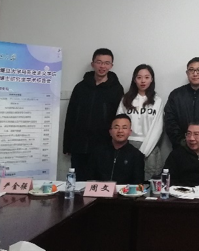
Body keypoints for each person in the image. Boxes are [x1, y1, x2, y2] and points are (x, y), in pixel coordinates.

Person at [63, 48, 124, 181]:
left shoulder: (116, 89)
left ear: (111, 66)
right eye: (99, 62)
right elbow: (71, 116)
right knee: (79, 184)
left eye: (107, 63)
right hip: (79, 146)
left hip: (104, 147)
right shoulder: (80, 87)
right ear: (93, 64)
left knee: (101, 184)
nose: (102, 66)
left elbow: (119, 118)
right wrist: (67, 144)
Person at [116, 64, 163, 180]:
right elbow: (119, 123)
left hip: (150, 147)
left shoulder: (157, 100)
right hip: (127, 145)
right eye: (139, 77)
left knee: (148, 183)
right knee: (126, 180)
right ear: (134, 79)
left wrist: (143, 152)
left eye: (147, 77)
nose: (143, 81)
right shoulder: (126, 99)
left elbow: (157, 128)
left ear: (152, 79)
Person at [88, 114, 144, 184]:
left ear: (130, 132)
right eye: (116, 127)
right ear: (110, 132)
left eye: (124, 128)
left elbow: (138, 183)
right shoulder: (98, 152)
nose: (120, 131)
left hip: (124, 190)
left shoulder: (136, 155)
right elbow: (90, 179)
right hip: (100, 190)